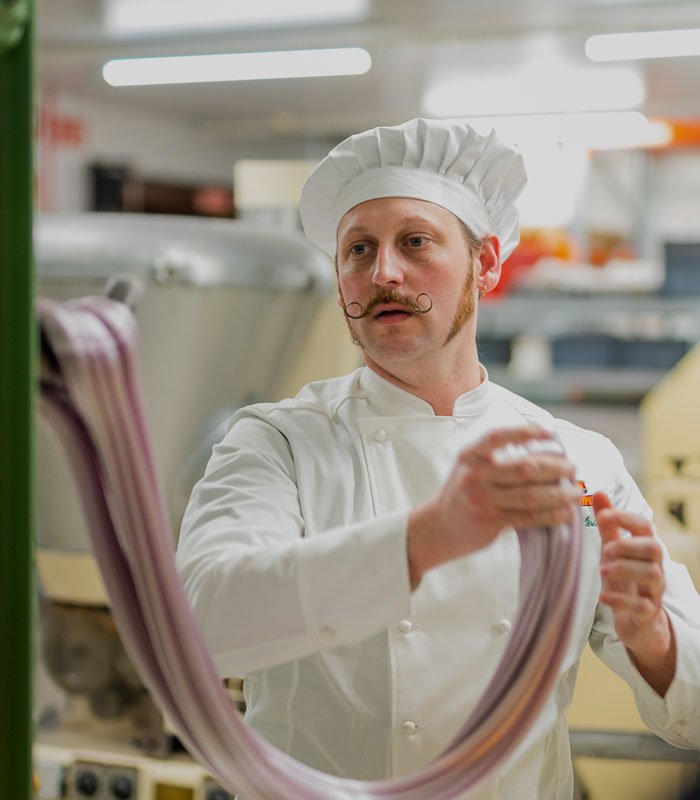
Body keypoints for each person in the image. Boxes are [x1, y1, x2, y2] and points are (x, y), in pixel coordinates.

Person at [176, 118, 700, 798]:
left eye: (415, 241)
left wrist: (651, 636)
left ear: (485, 264)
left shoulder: (581, 462)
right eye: (357, 250)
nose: (383, 272)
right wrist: (425, 539)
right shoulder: (277, 442)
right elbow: (201, 623)